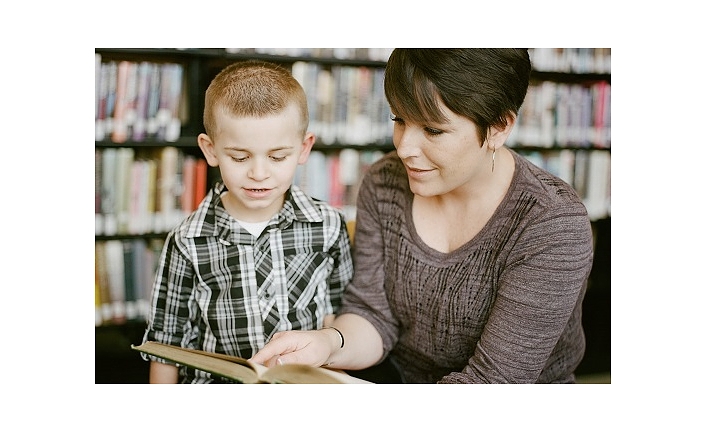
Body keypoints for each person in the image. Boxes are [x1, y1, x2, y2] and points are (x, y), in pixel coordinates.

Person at [251, 49, 594, 383]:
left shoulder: (551, 223)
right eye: (399, 119)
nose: (403, 148)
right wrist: (327, 344)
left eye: (432, 130)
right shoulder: (384, 182)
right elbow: (373, 315)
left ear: (498, 127)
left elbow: (494, 382)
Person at [141, 60, 354, 383]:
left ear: (304, 147)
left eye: (277, 156)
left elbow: (341, 317)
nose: (258, 173)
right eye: (239, 157)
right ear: (210, 150)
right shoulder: (188, 240)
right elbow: (166, 344)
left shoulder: (327, 225)